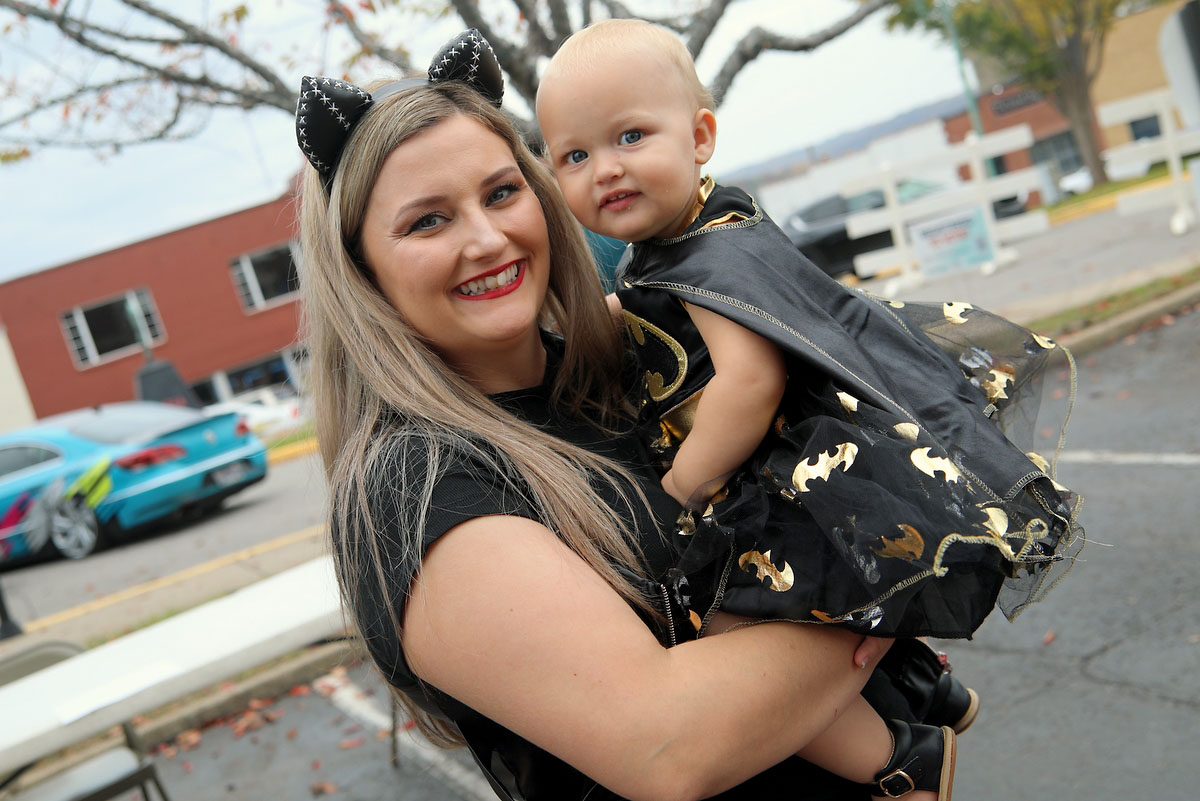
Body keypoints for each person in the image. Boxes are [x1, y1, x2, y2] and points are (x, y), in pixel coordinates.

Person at [295, 29, 940, 801]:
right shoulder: (412, 487)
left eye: (502, 192)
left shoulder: (627, 363)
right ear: (361, 270)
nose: (488, 237)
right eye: (427, 221)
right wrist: (901, 569)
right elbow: (670, 743)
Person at [537, 18, 1086, 798]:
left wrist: (676, 493)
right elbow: (674, 317)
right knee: (837, 597)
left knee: (733, 645)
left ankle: (898, 760)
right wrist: (623, 314)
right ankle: (927, 684)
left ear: (699, 136)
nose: (607, 170)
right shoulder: (684, 240)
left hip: (775, 477)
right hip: (790, 467)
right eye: (576, 156)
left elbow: (748, 383)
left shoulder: (709, 254)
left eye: (630, 135)